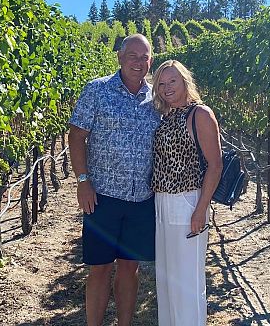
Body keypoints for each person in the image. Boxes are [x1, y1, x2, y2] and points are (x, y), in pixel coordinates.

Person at [67, 34, 161, 326]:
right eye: (132, 55)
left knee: (130, 268)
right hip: (103, 196)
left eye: (144, 56)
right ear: (119, 57)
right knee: (99, 269)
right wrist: (83, 180)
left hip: (142, 199)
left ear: (151, 61)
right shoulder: (97, 90)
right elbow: (77, 136)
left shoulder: (156, 98)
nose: (138, 62)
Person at [150, 60, 222, 326]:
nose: (167, 87)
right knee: (167, 279)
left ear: (185, 82)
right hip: (162, 201)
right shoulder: (165, 115)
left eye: (172, 81)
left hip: (188, 200)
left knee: (187, 282)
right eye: (161, 83)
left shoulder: (199, 114)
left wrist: (201, 209)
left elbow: (215, 165)